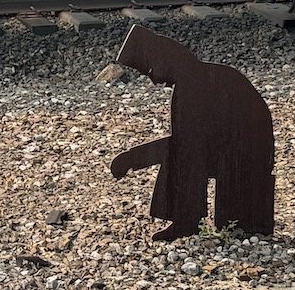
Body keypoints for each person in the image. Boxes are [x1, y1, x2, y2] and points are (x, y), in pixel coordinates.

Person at [110, 25, 275, 239]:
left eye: (150, 71)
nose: (154, 79)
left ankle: (187, 222)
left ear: (165, 59)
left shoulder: (193, 86)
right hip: (234, 149)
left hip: (245, 156)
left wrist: (132, 159)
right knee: (181, 151)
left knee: (181, 155)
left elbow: (184, 144)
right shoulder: (197, 79)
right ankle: (187, 221)